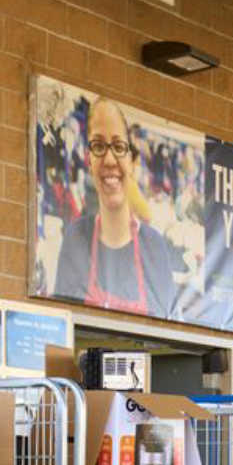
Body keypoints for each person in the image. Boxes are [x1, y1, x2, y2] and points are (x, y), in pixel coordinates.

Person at [50, 98, 182, 317]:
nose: (109, 159)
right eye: (99, 146)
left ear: (131, 160)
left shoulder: (155, 247)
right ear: (88, 159)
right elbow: (59, 333)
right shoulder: (75, 239)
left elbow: (171, 331)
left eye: (119, 147)